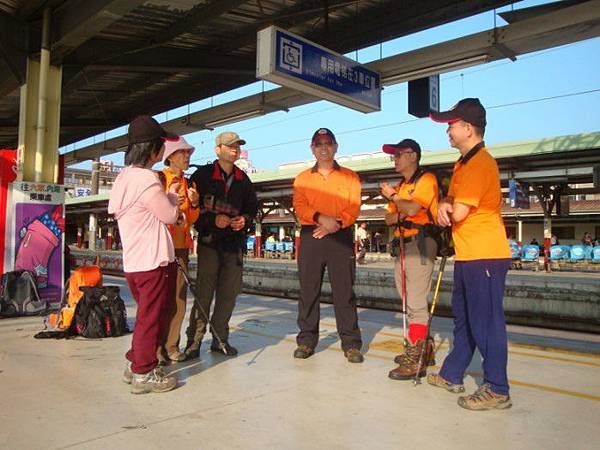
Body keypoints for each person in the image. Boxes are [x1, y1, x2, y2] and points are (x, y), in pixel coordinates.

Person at [428, 98, 513, 410]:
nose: (448, 130)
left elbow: (459, 211)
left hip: (485, 255)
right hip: (468, 254)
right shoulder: (463, 163)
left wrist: (443, 207)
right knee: (465, 320)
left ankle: (497, 388)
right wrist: (442, 204)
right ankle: (452, 374)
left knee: (487, 323)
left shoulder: (480, 163)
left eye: (451, 125)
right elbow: (450, 200)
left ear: (467, 128)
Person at [108, 115, 180, 394]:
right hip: (154, 261)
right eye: (161, 144)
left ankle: (135, 362)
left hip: (135, 263)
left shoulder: (123, 178)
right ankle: (143, 373)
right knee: (152, 318)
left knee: (146, 317)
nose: (164, 150)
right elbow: (169, 216)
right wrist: (172, 196)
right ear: (152, 149)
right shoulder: (148, 180)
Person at [184, 131, 258, 359]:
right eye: (230, 146)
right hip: (210, 243)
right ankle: (194, 341)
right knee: (204, 293)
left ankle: (220, 339)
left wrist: (244, 220)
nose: (234, 149)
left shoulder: (243, 179)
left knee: (228, 295)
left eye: (237, 146)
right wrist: (211, 220)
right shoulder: (202, 176)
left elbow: (252, 209)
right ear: (218, 150)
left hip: (234, 247)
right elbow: (191, 209)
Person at [292, 127, 363, 363]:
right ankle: (306, 341)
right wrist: (322, 219)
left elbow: (353, 206)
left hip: (340, 236)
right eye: (319, 143)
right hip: (312, 234)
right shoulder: (302, 178)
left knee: (344, 292)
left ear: (336, 147)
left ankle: (351, 344)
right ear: (312, 148)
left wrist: (336, 223)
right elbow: (299, 206)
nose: (324, 147)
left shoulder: (350, 177)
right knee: (308, 291)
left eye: (328, 143)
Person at [380, 138, 439, 380]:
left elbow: (413, 210)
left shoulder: (426, 180)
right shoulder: (402, 186)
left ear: (413, 155)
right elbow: (389, 219)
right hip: (402, 245)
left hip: (420, 244)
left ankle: (416, 356)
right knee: (407, 299)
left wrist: (395, 198)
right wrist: (400, 204)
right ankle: (425, 346)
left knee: (415, 302)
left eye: (398, 154)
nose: (394, 158)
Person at [156, 135, 200, 364]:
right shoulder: (158, 180)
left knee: (178, 300)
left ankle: (171, 345)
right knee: (159, 300)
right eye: (183, 153)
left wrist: (193, 204)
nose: (187, 157)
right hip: (160, 247)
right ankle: (156, 349)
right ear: (170, 156)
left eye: (188, 153)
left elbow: (192, 219)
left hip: (181, 248)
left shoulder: (190, 184)